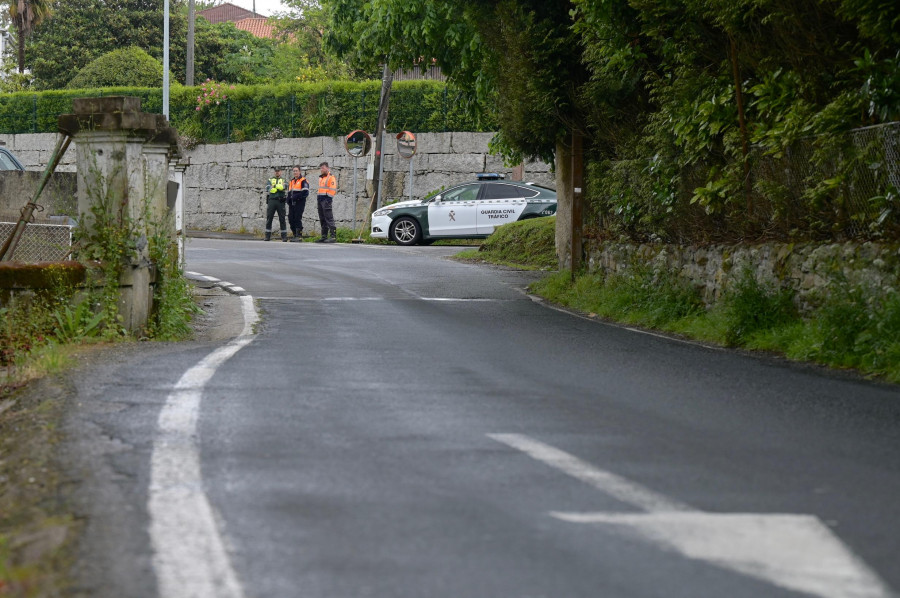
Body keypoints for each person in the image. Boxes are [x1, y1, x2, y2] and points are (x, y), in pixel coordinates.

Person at [315, 161, 337, 243]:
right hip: (320, 199)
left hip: (326, 200)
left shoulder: (331, 177)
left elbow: (333, 189)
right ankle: (324, 236)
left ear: (327, 168)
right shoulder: (321, 178)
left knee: (329, 218)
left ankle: (333, 236)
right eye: (321, 168)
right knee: (322, 218)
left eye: (323, 168)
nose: (321, 169)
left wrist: (328, 199)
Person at [264, 167, 288, 242]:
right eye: (276, 171)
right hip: (272, 200)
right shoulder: (270, 180)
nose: (277, 172)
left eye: (278, 171)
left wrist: (274, 186)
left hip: (280, 201)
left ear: (281, 172)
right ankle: (267, 236)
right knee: (269, 218)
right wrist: (279, 187)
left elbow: (285, 187)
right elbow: (268, 188)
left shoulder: (284, 180)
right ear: (274, 172)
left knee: (282, 219)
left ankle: (284, 237)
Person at [287, 166, 309, 242]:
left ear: (300, 171)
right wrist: (288, 199)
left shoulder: (303, 180)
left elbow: (305, 193)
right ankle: (294, 234)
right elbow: (289, 192)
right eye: (294, 171)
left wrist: (296, 197)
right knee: (290, 219)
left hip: (299, 202)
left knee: (297, 218)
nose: (295, 172)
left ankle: (299, 235)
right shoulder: (292, 181)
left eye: (296, 171)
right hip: (292, 203)